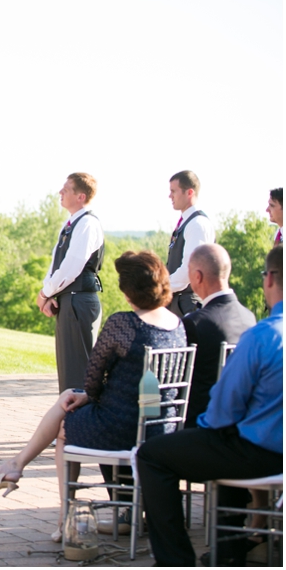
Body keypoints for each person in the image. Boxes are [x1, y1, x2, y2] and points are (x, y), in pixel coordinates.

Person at [0, 251, 185, 542]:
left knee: (65, 424)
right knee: (69, 396)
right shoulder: (178, 326)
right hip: (161, 426)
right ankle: (16, 466)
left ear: (129, 292)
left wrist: (88, 395)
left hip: (124, 429)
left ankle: (65, 516)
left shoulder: (124, 324)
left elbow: (92, 379)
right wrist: (86, 394)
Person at [137, 245, 282, 567]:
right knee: (226, 442)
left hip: (264, 452)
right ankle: (227, 550)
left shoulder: (264, 336)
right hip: (268, 447)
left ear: (270, 279)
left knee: (152, 455)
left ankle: (175, 561)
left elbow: (223, 411)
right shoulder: (248, 318)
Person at [37, 173, 104, 393]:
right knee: (68, 372)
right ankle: (69, 422)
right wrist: (48, 294)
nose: (60, 192)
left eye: (66, 189)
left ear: (81, 196)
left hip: (80, 301)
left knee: (79, 372)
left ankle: (81, 424)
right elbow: (56, 265)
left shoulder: (87, 224)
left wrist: (46, 293)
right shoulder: (69, 225)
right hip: (68, 300)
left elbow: (72, 266)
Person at [181, 243, 256, 427]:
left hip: (198, 425)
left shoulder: (195, 323)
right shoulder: (249, 317)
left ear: (197, 276)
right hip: (239, 421)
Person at [166, 170, 215, 318]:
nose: (170, 196)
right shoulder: (188, 222)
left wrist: (162, 288)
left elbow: (190, 269)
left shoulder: (197, 224)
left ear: (189, 193)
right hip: (179, 301)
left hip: (188, 303)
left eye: (173, 191)